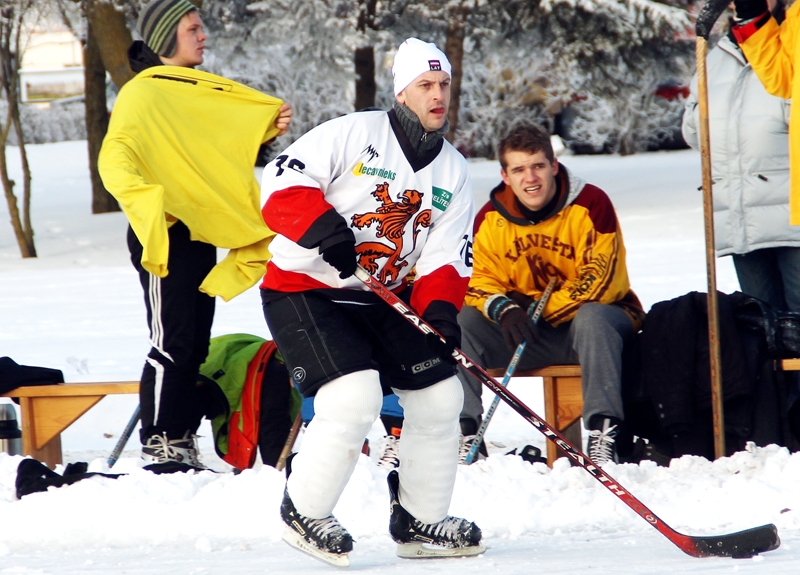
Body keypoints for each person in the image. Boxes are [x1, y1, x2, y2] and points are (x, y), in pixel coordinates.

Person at [259, 38, 483, 565]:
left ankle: (420, 520)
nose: (438, 95)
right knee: (354, 396)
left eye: (444, 85)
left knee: (441, 398)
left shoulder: (453, 169)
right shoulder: (354, 133)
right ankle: (305, 509)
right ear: (402, 92)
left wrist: (440, 313)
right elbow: (280, 179)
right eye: (426, 86)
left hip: (385, 298)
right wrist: (321, 227)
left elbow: (446, 257)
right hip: (305, 288)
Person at [98, 0, 292, 469]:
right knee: (173, 341)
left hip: (199, 231)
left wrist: (261, 133)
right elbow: (118, 156)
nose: (203, 35)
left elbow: (208, 153)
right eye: (193, 28)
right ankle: (161, 440)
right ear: (167, 37)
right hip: (164, 233)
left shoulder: (191, 92)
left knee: (194, 342)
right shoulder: (142, 95)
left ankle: (180, 438)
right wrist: (146, 200)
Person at [456, 123, 645, 466]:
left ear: (554, 166)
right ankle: (467, 429)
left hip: (594, 329)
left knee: (592, 316)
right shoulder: (489, 220)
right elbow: (478, 281)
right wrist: (505, 310)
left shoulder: (591, 204)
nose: (531, 178)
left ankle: (603, 433)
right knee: (463, 321)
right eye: (519, 169)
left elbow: (600, 280)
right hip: (529, 333)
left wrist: (539, 311)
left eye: (538, 166)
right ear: (505, 175)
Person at [683, 2, 800, 315]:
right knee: (763, 328)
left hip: (791, 218)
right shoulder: (714, 58)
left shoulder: (791, 41)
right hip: (740, 217)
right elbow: (694, 135)